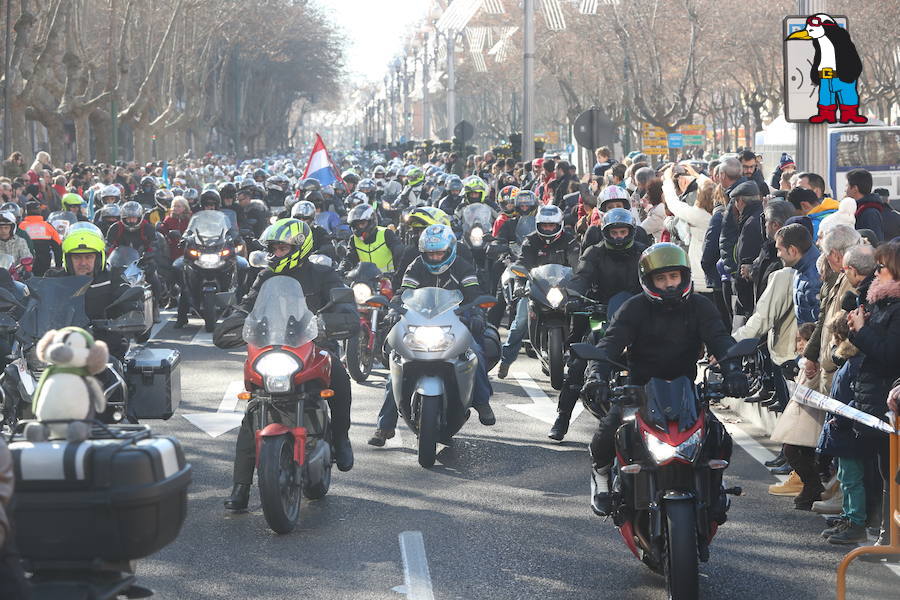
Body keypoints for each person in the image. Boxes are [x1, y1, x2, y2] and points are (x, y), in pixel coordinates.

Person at [581, 243, 749, 515]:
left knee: (719, 437)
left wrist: (734, 372)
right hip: (639, 389)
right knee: (608, 430)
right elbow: (609, 344)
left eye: (674, 277)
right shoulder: (633, 308)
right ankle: (601, 476)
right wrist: (596, 376)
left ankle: (714, 482)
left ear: (684, 276)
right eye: (661, 278)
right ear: (649, 281)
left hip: (686, 390)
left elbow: (721, 340)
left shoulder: (700, 307)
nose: (669, 284)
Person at [225, 219, 356, 511]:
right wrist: (233, 320)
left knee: (340, 375)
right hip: (273, 349)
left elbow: (345, 307)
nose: (276, 253)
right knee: (253, 408)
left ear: (299, 247)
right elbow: (248, 305)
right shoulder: (265, 277)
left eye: (282, 247)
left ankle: (341, 437)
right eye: (273, 248)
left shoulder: (323, 274)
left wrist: (337, 320)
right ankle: (240, 487)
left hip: (315, 348)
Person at [368, 224, 495, 447]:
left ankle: (482, 401)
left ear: (449, 251)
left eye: (439, 253)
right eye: (430, 254)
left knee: (475, 353)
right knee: (397, 367)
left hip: (455, 321)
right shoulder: (417, 265)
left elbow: (473, 294)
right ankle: (384, 426)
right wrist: (393, 310)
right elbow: (403, 292)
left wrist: (476, 313)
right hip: (419, 325)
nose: (435, 258)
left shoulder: (463, 267)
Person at [550, 208, 647, 441]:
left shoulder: (643, 253)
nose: (619, 237)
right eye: (614, 232)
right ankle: (562, 418)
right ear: (606, 233)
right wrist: (573, 295)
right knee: (579, 361)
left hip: (639, 315)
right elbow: (582, 276)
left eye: (623, 232)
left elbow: (653, 278)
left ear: (631, 231)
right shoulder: (595, 253)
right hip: (600, 313)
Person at [846, 240, 900, 548]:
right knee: (884, 468)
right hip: (877, 395)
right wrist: (859, 329)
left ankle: (889, 537)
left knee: (890, 469)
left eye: (882, 268)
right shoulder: (883, 303)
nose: (876, 273)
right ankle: (887, 536)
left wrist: (863, 330)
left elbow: (891, 354)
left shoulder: (896, 308)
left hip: (888, 396)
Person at [496, 204, 578, 379]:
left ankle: (581, 362)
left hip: (563, 288)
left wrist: (582, 283)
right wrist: (518, 283)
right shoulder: (530, 240)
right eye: (544, 226)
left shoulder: (570, 240)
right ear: (538, 225)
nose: (548, 229)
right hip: (536, 287)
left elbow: (577, 264)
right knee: (520, 320)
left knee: (581, 317)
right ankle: (506, 360)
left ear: (559, 225)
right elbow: (522, 263)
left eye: (552, 226)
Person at [51, 226, 137, 360]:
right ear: (68, 259)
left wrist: (132, 312)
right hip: (62, 345)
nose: (83, 262)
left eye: (88, 257)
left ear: (98, 258)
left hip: (104, 346)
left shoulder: (114, 277)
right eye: (77, 257)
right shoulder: (55, 279)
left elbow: (128, 298)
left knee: (112, 365)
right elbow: (37, 304)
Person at [775, 223, 822, 326]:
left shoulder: (813, 277)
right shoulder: (800, 269)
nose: (778, 255)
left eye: (779, 250)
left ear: (792, 250)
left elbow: (818, 323)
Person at [339, 203, 402, 275]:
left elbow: (399, 254)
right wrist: (342, 268)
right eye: (355, 225)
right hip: (364, 282)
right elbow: (349, 259)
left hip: (388, 280)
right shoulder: (354, 239)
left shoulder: (386, 234)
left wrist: (395, 273)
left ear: (371, 221)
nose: (358, 228)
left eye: (362, 224)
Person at [19, 200, 62, 276]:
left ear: (26, 212)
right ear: (39, 210)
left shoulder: (20, 227)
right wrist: (58, 266)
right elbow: (58, 246)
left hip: (25, 266)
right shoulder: (48, 226)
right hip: (44, 265)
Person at [844, 168, 885, 242]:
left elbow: (875, 243)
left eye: (847, 186)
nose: (845, 190)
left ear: (855, 188)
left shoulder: (870, 213)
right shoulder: (856, 208)